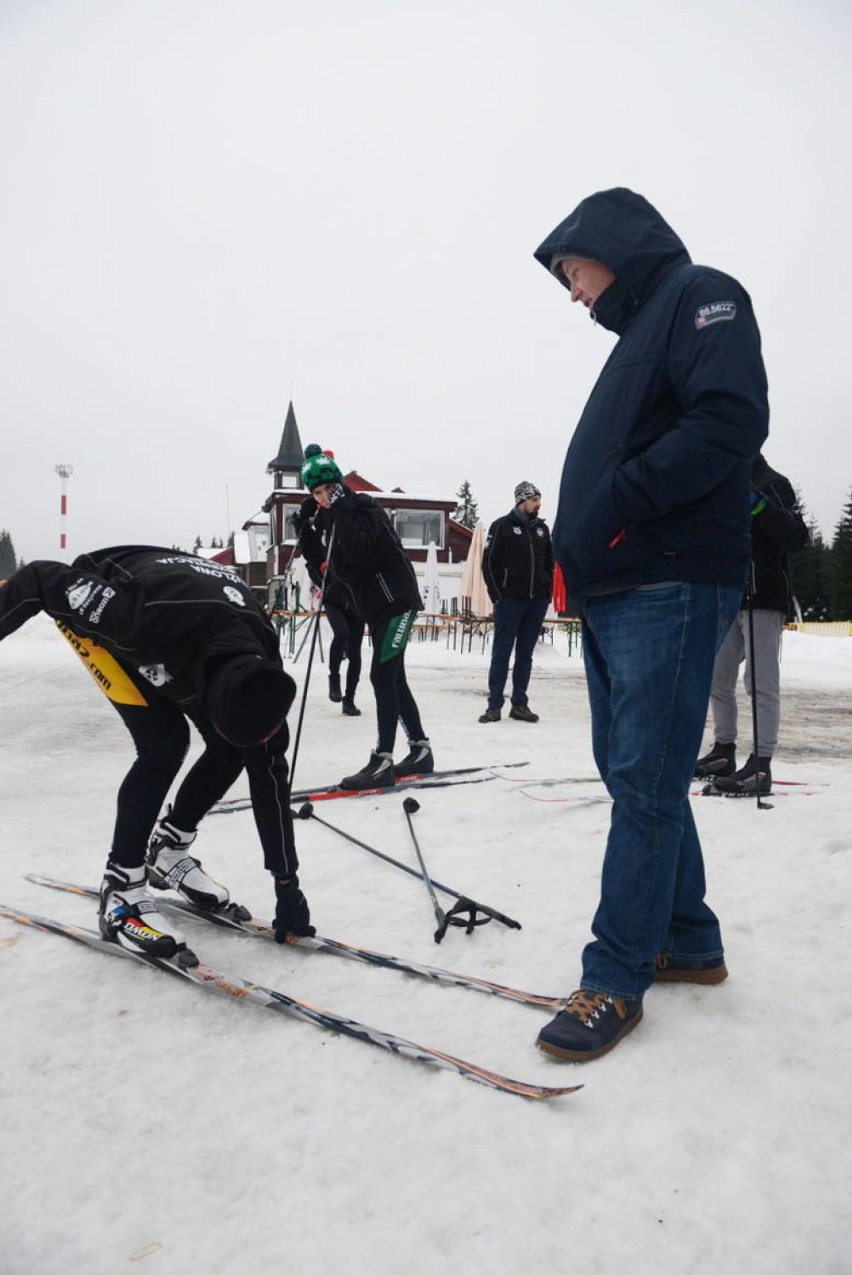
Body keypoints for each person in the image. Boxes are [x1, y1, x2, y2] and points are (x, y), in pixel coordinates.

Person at [530, 188, 769, 1062]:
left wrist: (621, 502)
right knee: (641, 772)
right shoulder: (643, 329)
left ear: (609, 246)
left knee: (644, 781)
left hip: (668, 578)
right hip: (624, 585)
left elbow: (731, 418)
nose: (572, 292)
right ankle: (690, 938)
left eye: (571, 271)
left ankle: (616, 973)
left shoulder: (704, 295)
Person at [0, 546, 314, 959]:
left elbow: (269, 777)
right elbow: (38, 577)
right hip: (122, 601)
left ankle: (168, 850)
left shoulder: (264, 671)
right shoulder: (132, 616)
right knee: (164, 745)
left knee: (235, 751)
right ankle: (121, 887)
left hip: (198, 620)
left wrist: (286, 884)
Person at [297, 446, 434, 790]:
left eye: (328, 488)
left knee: (382, 675)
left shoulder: (363, 507)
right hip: (376, 609)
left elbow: (358, 552)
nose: (324, 497)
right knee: (394, 678)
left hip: (397, 602)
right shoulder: (332, 518)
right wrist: (307, 533)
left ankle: (383, 759)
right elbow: (328, 575)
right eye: (317, 493)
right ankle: (420, 751)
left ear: (339, 483)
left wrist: (340, 506)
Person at [695, 454, 809, 795]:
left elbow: (797, 536)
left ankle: (761, 764)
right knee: (717, 676)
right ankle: (723, 751)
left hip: (765, 596)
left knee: (759, 681)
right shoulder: (722, 488)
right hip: (730, 597)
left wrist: (760, 507)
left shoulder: (773, 483)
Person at [479, 481, 554, 723]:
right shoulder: (502, 526)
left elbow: (549, 565)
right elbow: (488, 563)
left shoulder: (542, 530)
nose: (538, 504)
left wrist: (546, 594)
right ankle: (494, 705)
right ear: (521, 501)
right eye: (534, 500)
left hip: (536, 602)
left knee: (525, 654)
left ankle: (520, 704)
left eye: (538, 500)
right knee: (501, 653)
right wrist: (497, 596)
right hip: (510, 601)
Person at [294, 480, 365, 717]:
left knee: (355, 651)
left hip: (355, 596)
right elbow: (310, 545)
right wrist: (321, 569)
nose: (324, 497)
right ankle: (334, 678)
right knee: (342, 633)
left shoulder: (351, 516)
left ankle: (350, 698)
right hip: (333, 594)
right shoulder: (322, 519)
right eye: (318, 492)